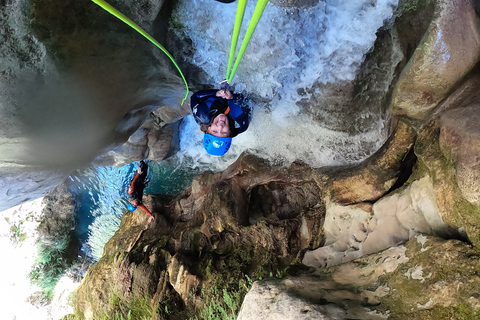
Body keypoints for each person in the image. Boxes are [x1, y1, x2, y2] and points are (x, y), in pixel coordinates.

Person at [191, 88, 251, 156]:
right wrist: (233, 96)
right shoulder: (242, 123)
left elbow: (195, 96)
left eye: (215, 131)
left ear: (209, 129)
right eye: (224, 132)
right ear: (230, 132)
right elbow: (249, 102)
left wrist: (215, 93)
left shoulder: (201, 115)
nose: (220, 126)